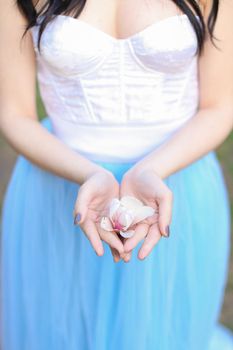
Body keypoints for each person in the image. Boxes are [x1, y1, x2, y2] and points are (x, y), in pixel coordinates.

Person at [0, 0, 233, 349]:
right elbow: (14, 114)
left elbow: (220, 106)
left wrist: (154, 168)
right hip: (60, 191)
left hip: (176, 187)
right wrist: (87, 174)